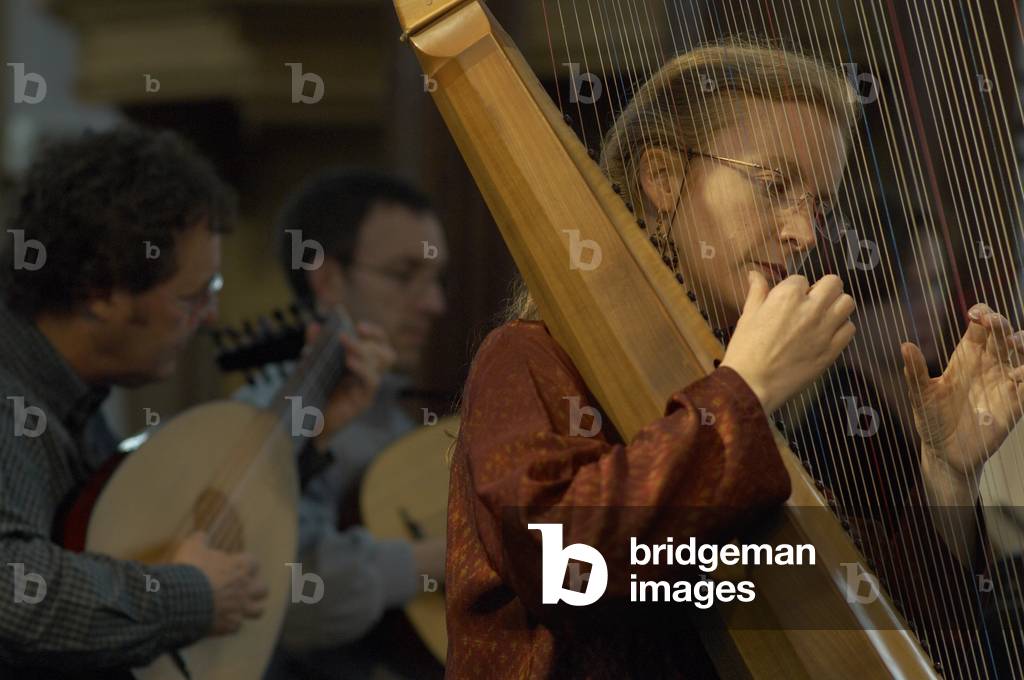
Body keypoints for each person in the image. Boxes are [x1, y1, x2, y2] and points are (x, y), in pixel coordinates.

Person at [444, 41, 1024, 679]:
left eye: (819, 205)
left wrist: (946, 476)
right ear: (664, 178)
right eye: (775, 187)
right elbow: (566, 571)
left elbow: (886, 634)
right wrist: (741, 391)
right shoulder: (531, 358)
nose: (804, 232)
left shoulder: (827, 390)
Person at [0, 126, 384, 679]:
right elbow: (15, 592)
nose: (209, 317)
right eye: (192, 296)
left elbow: (114, 533)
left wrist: (311, 430)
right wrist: (190, 597)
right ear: (101, 293)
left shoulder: (72, 401)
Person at [237, 169, 449, 680]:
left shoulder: (401, 424)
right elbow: (286, 598)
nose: (434, 303)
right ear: (328, 280)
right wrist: (444, 560)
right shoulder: (266, 420)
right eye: (404, 275)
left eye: (439, 279)